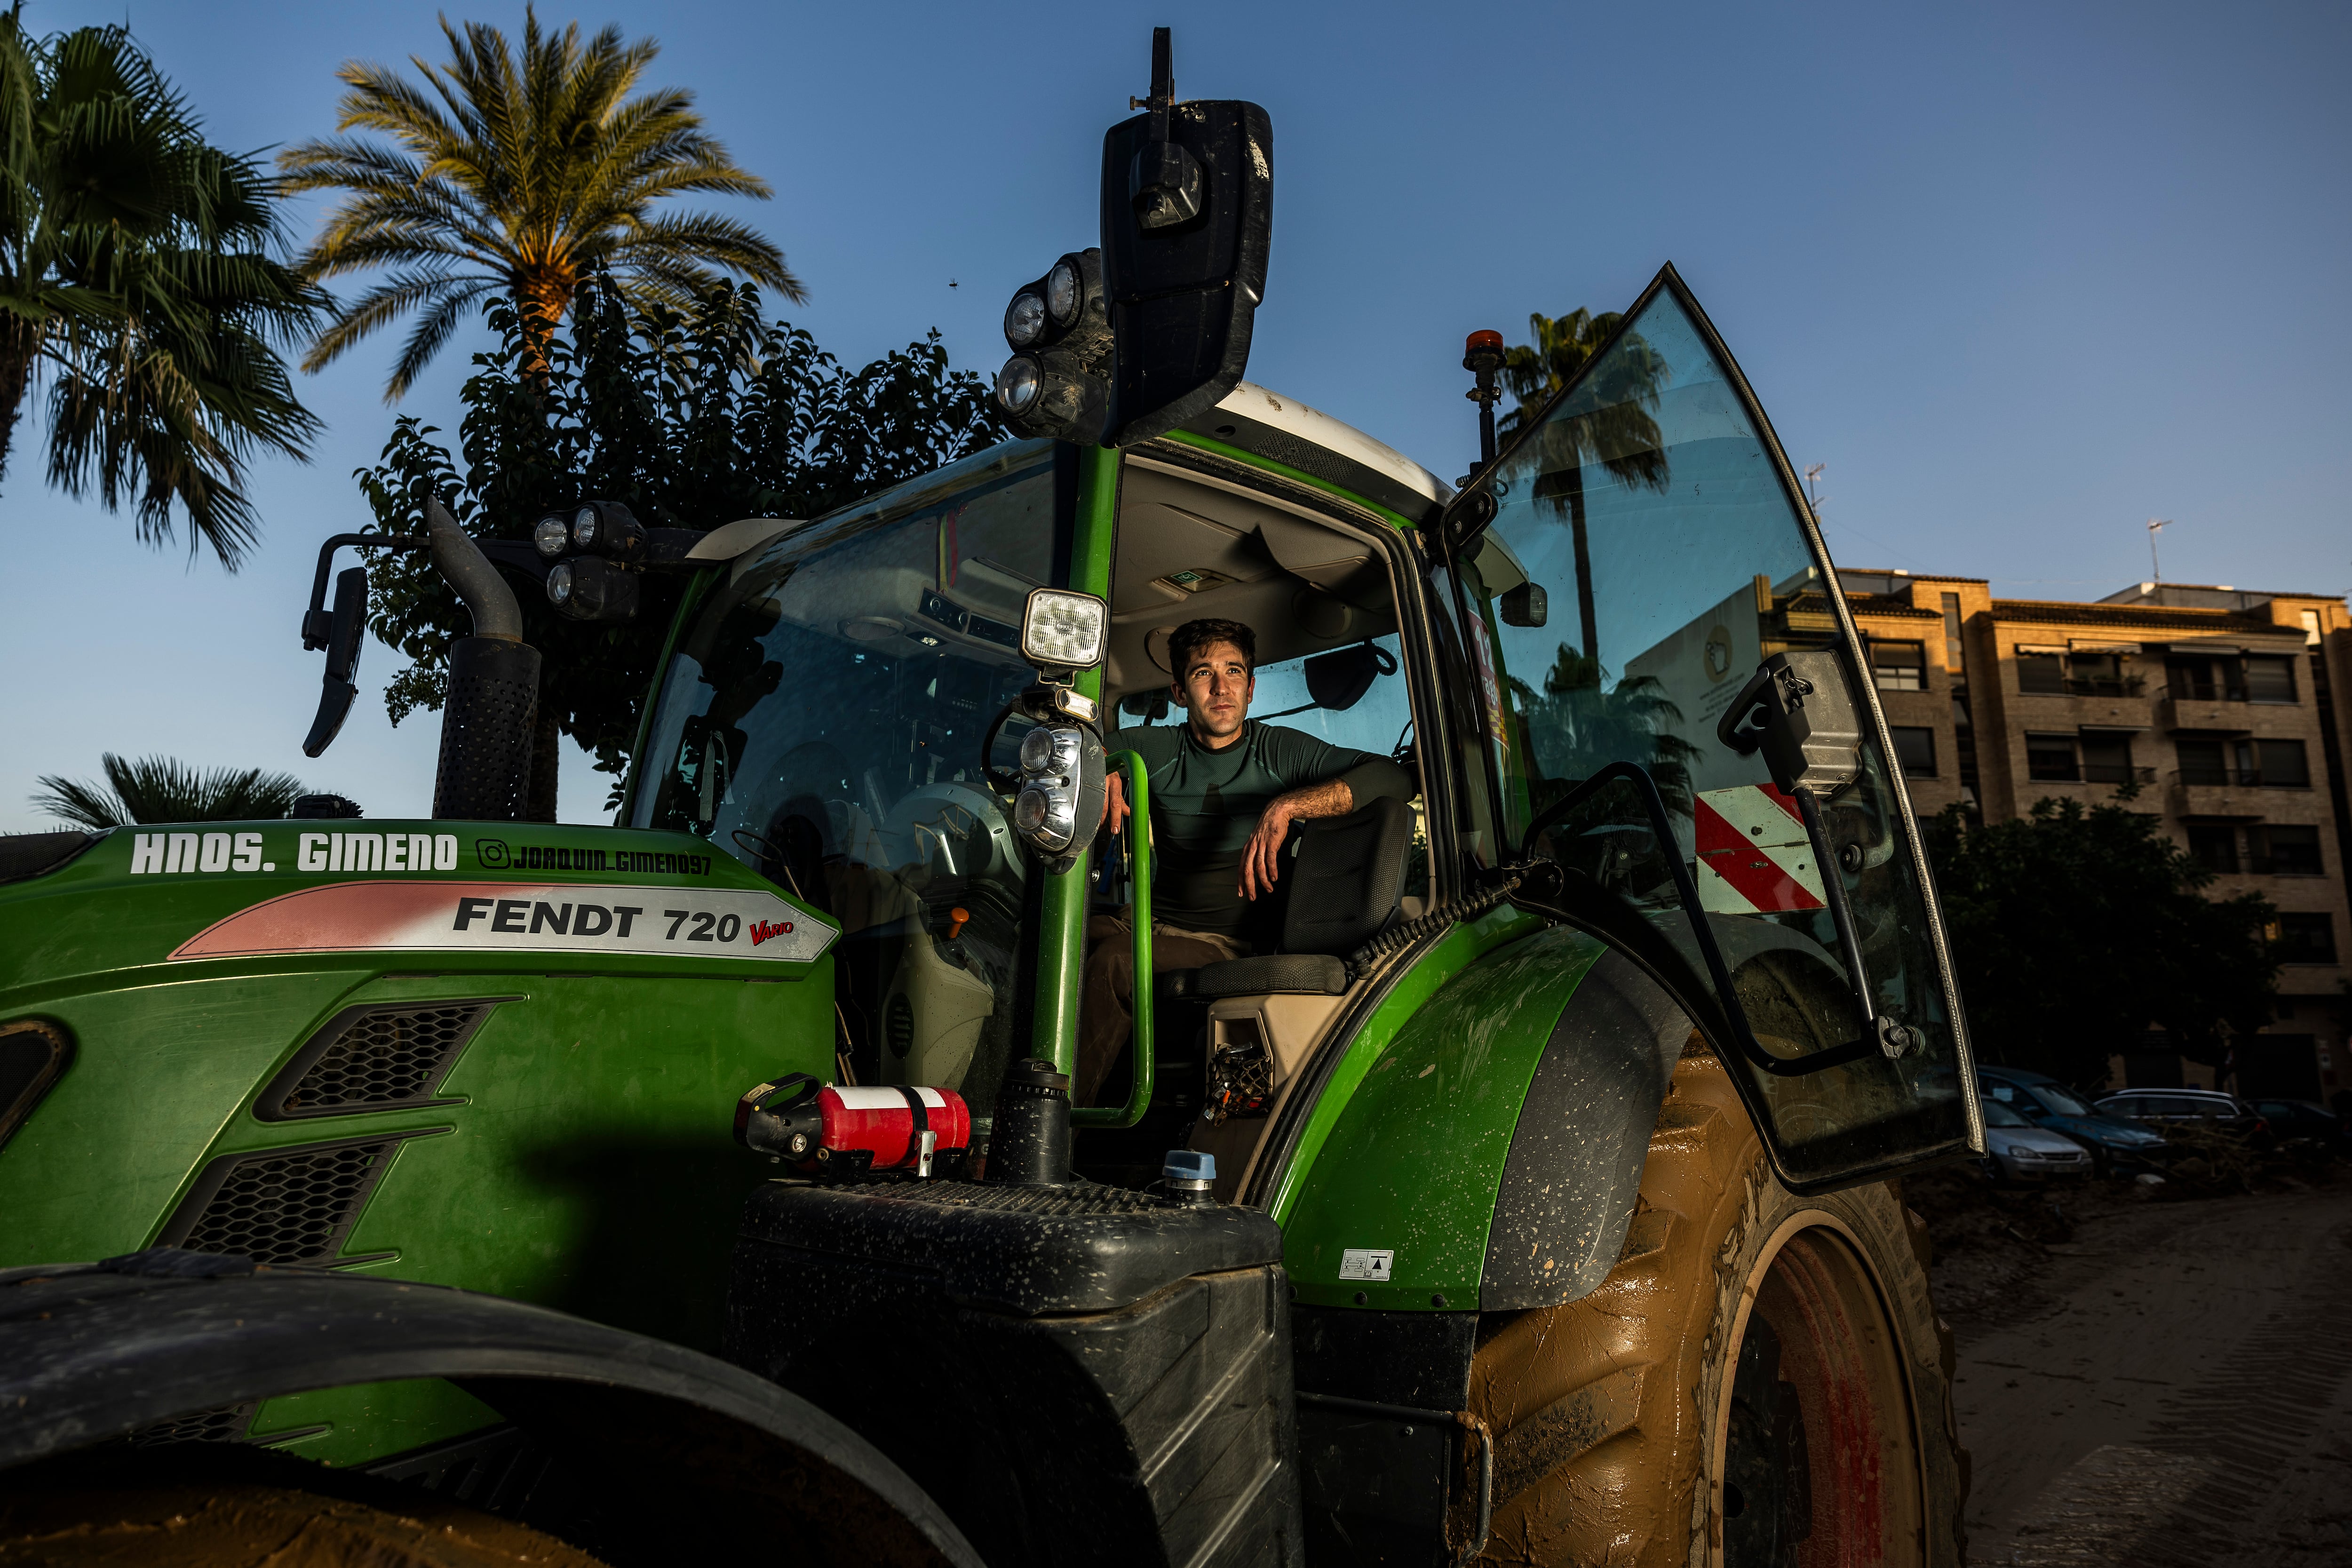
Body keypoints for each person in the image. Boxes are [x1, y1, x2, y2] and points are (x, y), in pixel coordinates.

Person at [1076, 617, 1414, 1104]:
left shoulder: (1277, 751)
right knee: (1046, 940)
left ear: (1251, 689)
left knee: (1113, 964)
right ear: (1178, 691)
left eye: (1233, 672)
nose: (1220, 688)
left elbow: (1392, 778)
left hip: (1225, 943)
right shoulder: (1156, 750)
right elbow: (1082, 751)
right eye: (1201, 674)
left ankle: (1052, 1137)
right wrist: (1099, 768)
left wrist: (1290, 805)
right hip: (1146, 924)